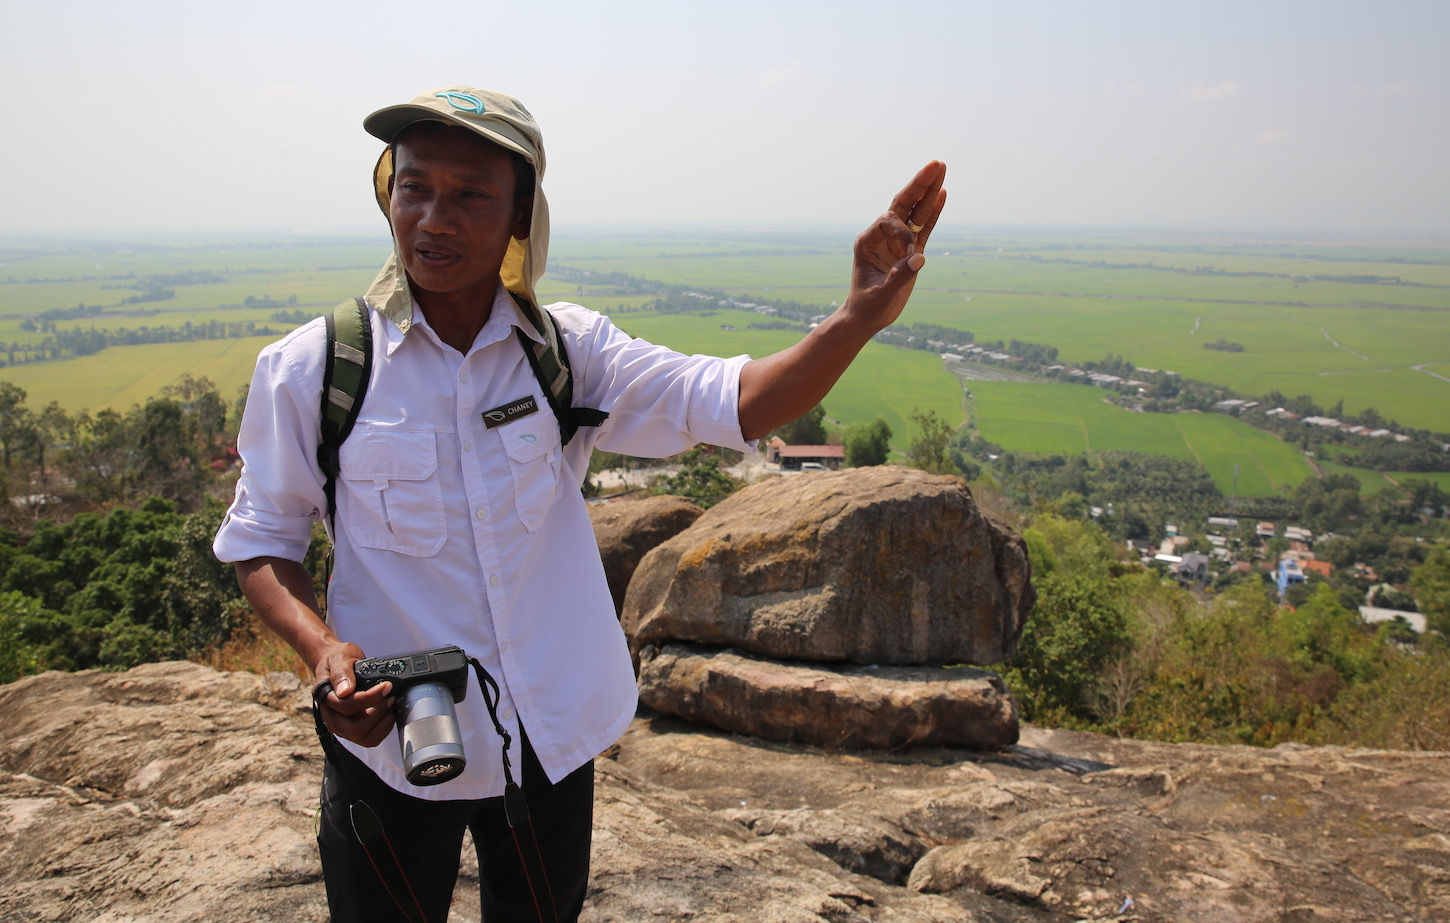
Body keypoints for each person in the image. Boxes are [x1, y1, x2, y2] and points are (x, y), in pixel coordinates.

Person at [213, 85, 945, 922]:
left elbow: (736, 401)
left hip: (547, 738)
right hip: (394, 740)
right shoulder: (316, 368)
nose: (433, 218)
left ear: (521, 216)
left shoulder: (565, 354)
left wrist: (856, 317)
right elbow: (261, 539)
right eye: (413, 187)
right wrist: (323, 652)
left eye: (470, 195)